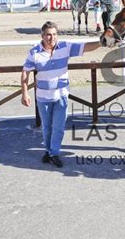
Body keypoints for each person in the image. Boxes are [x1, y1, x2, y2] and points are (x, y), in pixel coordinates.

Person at [21, 21, 101, 168]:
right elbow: (25, 72)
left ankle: (54, 153)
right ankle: (49, 151)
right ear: (42, 36)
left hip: (61, 96)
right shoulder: (34, 52)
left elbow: (86, 47)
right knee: (46, 127)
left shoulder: (65, 46)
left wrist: (102, 41)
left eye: (54, 35)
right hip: (43, 97)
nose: (51, 38)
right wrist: (24, 93)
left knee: (58, 127)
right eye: (48, 35)